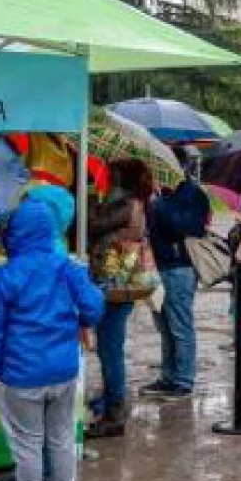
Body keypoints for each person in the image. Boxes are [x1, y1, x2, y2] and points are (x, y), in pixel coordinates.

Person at [0, 199, 106, 481]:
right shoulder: (68, 267)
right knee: (62, 440)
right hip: (63, 370)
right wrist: (79, 319)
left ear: (14, 234)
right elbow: (94, 306)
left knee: (28, 445)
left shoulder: (7, 276)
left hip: (21, 375)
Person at [86, 159, 155, 437]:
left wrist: (88, 194)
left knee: (109, 348)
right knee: (110, 346)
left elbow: (92, 224)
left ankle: (114, 412)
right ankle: (111, 401)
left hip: (114, 284)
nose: (108, 177)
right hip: (120, 282)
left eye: (112, 173)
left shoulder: (124, 205)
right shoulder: (133, 203)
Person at [141, 161, 210, 400]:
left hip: (179, 267)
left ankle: (184, 379)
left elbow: (186, 226)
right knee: (164, 326)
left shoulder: (193, 194)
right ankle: (168, 376)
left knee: (180, 325)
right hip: (159, 267)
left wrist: (159, 205)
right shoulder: (162, 196)